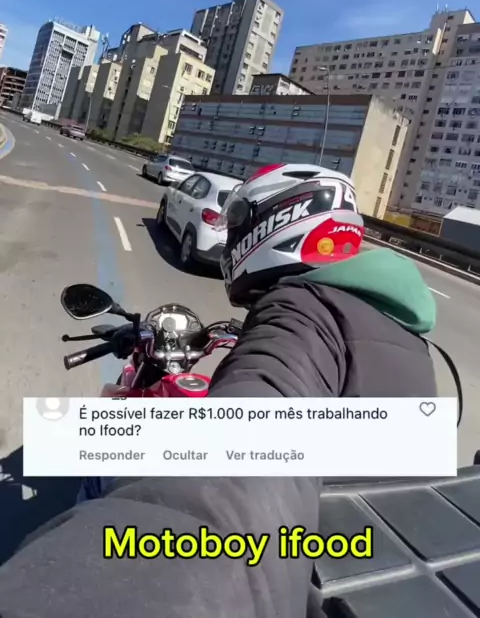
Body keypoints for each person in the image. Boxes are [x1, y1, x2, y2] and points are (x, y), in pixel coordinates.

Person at [0, 164, 437, 618]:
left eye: (238, 224)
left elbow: (238, 463)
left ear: (276, 221)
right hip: (364, 563)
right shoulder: (399, 329)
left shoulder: (300, 317)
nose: (231, 241)